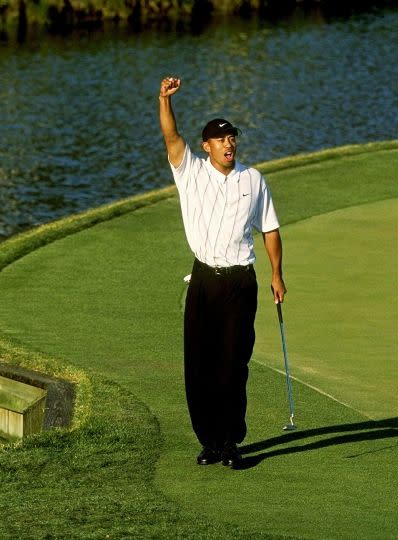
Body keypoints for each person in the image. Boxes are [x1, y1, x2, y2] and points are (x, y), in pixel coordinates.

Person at [158, 75, 286, 468]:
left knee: (233, 362)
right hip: (203, 280)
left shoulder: (253, 179)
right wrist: (164, 99)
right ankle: (209, 442)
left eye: (232, 138)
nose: (229, 144)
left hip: (239, 281)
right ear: (206, 146)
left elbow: (270, 228)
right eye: (221, 139)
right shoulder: (190, 171)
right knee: (199, 364)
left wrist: (277, 274)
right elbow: (170, 136)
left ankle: (231, 442)